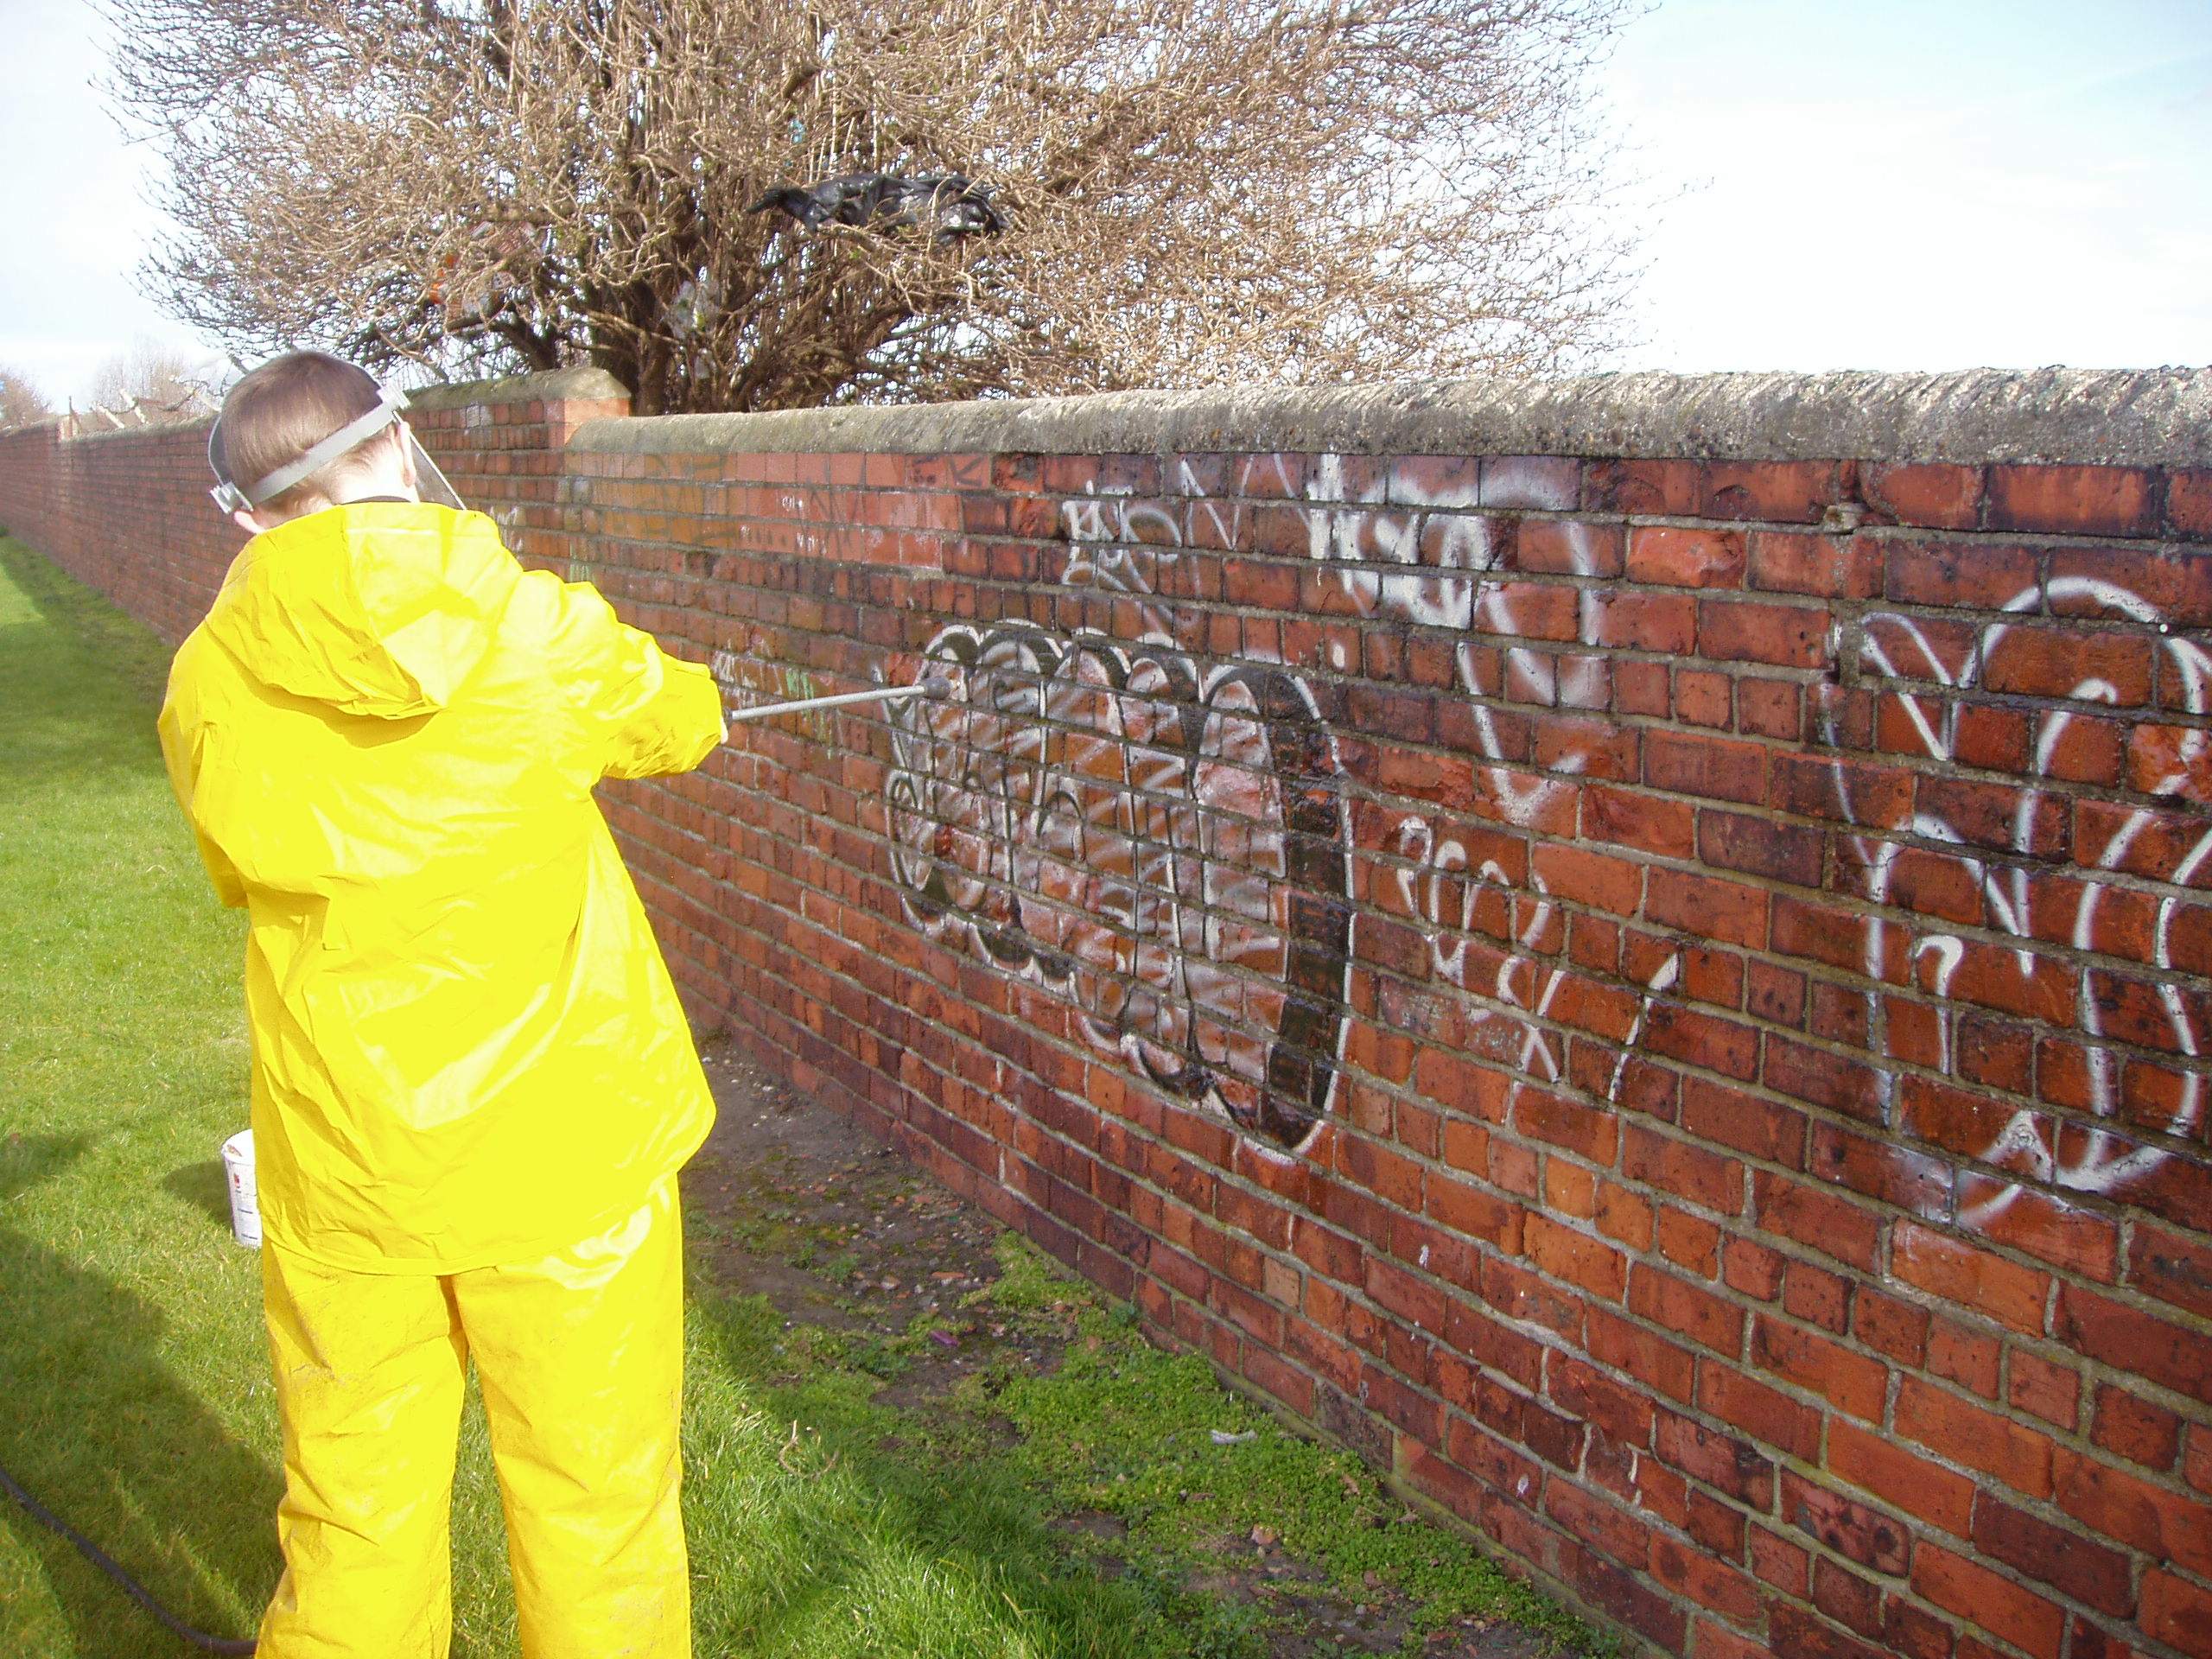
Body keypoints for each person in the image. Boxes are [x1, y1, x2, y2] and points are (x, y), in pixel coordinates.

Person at [157, 350, 725, 1658]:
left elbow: (239, 869)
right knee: (596, 1510)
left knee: (354, 1516)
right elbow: (677, 715)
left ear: (247, 512)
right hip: (568, 1155)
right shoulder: (533, 629)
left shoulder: (208, 679)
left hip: (347, 1160)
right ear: (398, 445)